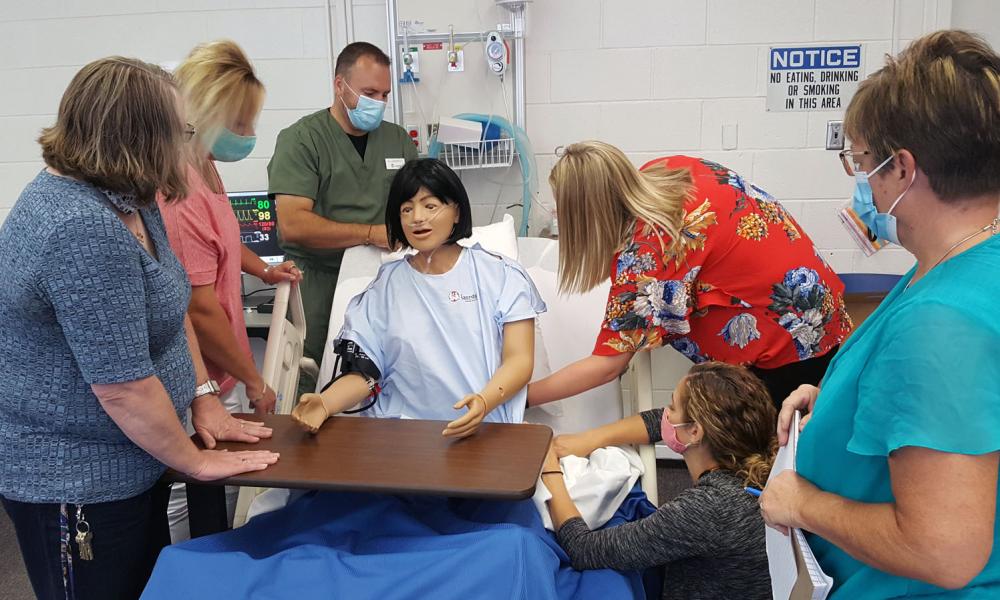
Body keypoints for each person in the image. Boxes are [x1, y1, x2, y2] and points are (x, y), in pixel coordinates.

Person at [0, 57, 279, 600]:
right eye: (181, 130)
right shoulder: (81, 227)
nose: (189, 142)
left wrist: (202, 396)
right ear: (139, 138)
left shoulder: (135, 198)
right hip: (77, 483)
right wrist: (196, 460)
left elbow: (171, 314)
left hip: (138, 461)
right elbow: (124, 387)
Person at [760, 30, 1000, 598]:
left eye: (862, 161)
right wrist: (846, 403)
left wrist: (801, 501)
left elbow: (945, 551)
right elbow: (960, 413)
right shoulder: (954, 267)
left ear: (903, 170)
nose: (861, 181)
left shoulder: (943, 319)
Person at [527, 142, 851, 410]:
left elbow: (608, 365)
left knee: (767, 453)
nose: (556, 216)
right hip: (816, 300)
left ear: (586, 216)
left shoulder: (646, 255)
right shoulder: (669, 169)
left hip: (789, 341)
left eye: (562, 210)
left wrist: (521, 398)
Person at [158, 40, 301, 541]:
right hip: (196, 379)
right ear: (203, 112)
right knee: (190, 500)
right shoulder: (176, 192)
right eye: (239, 125)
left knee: (222, 484)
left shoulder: (205, 167)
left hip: (220, 372)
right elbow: (199, 311)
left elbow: (224, 238)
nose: (247, 136)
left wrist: (264, 270)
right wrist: (255, 379)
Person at [292, 158, 543, 435]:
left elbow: (519, 360)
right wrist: (326, 403)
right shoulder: (385, 286)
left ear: (457, 212)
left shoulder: (501, 276)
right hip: (402, 434)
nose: (417, 217)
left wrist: (484, 402)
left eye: (430, 206)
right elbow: (368, 374)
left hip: (482, 428)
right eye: (406, 209)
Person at [541, 362, 774, 599]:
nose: (665, 414)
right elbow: (656, 423)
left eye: (672, 406)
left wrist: (550, 471)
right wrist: (590, 439)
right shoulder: (762, 462)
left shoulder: (707, 508)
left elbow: (585, 549)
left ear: (695, 432)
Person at [268, 41, 418, 396]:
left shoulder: (397, 140)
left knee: (382, 381)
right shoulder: (302, 141)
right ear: (340, 85)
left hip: (383, 283)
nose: (378, 103)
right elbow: (294, 224)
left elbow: (420, 203)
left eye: (384, 94)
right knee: (313, 381)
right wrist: (368, 233)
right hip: (318, 288)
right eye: (369, 93)